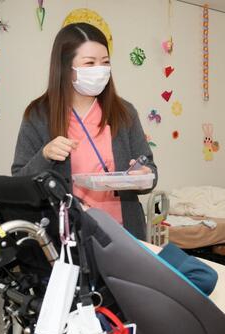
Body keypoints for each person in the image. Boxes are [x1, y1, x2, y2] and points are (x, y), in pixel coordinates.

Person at [12, 23, 157, 240]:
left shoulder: (124, 112)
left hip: (124, 235)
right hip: (69, 237)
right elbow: (19, 184)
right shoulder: (39, 115)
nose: (100, 70)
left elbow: (150, 170)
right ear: (65, 67)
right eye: (90, 63)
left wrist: (144, 175)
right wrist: (45, 155)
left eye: (105, 62)